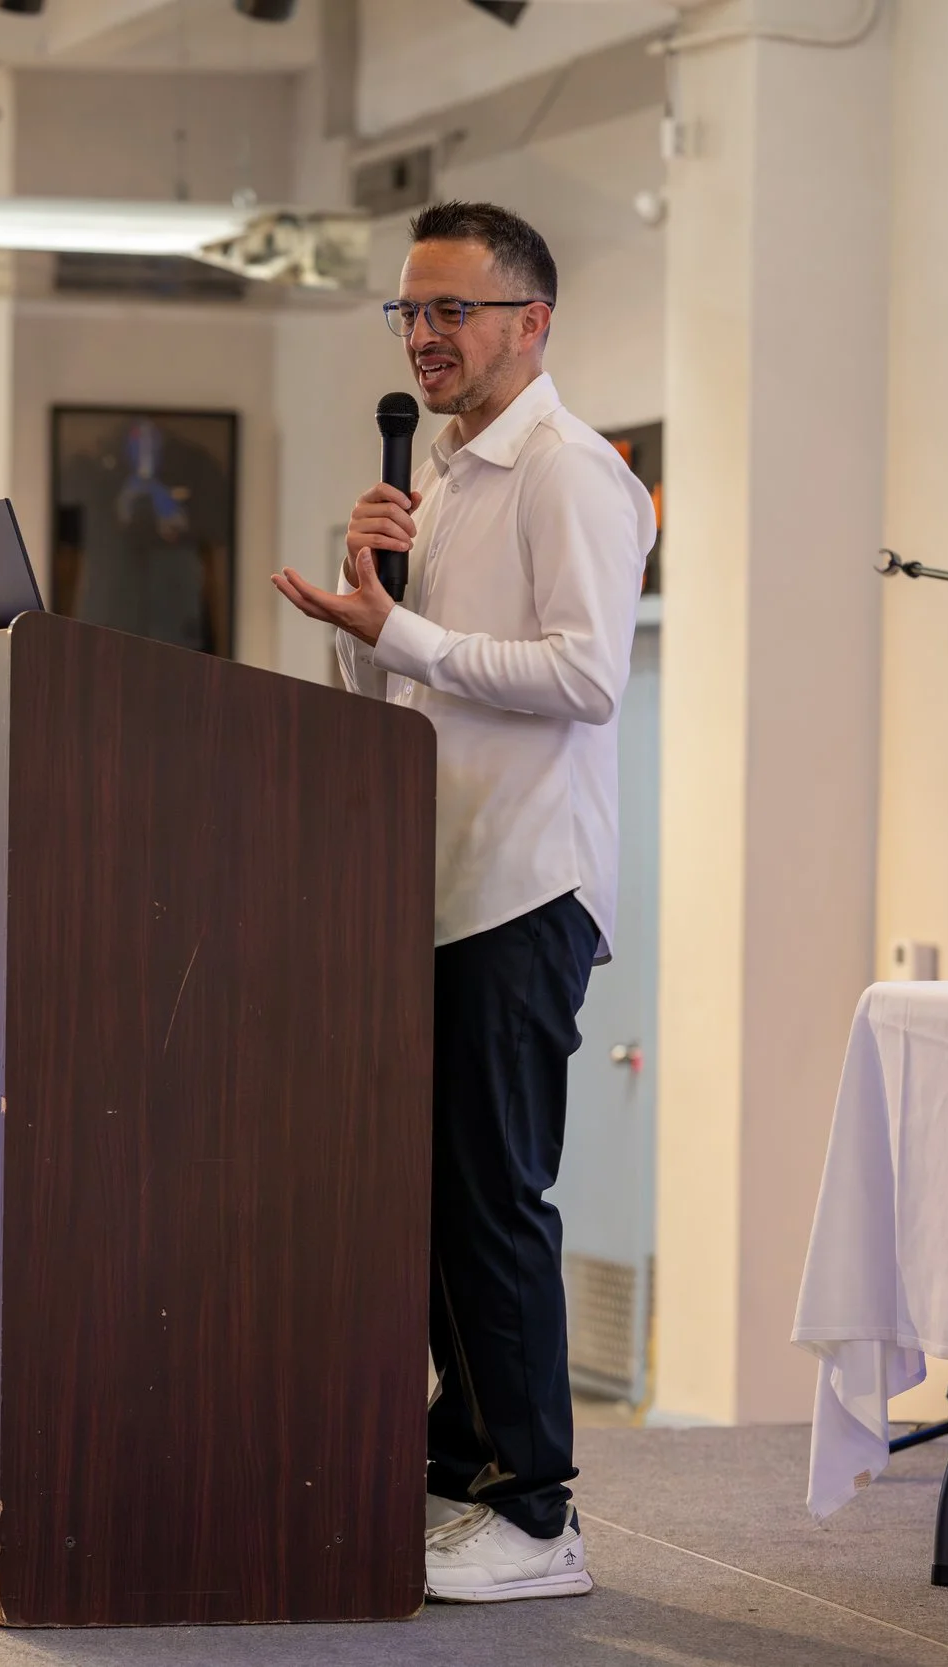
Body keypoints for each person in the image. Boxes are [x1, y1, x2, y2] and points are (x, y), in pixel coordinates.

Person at [272, 200, 655, 1603]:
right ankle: (462, 1466)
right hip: (429, 885)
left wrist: (409, 630)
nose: (424, 335)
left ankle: (539, 1512)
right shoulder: (435, 480)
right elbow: (404, 688)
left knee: (495, 1197)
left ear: (530, 321)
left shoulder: (570, 472)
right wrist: (367, 616)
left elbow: (588, 675)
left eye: (452, 309)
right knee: (433, 1197)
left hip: (522, 882)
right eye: (410, 311)